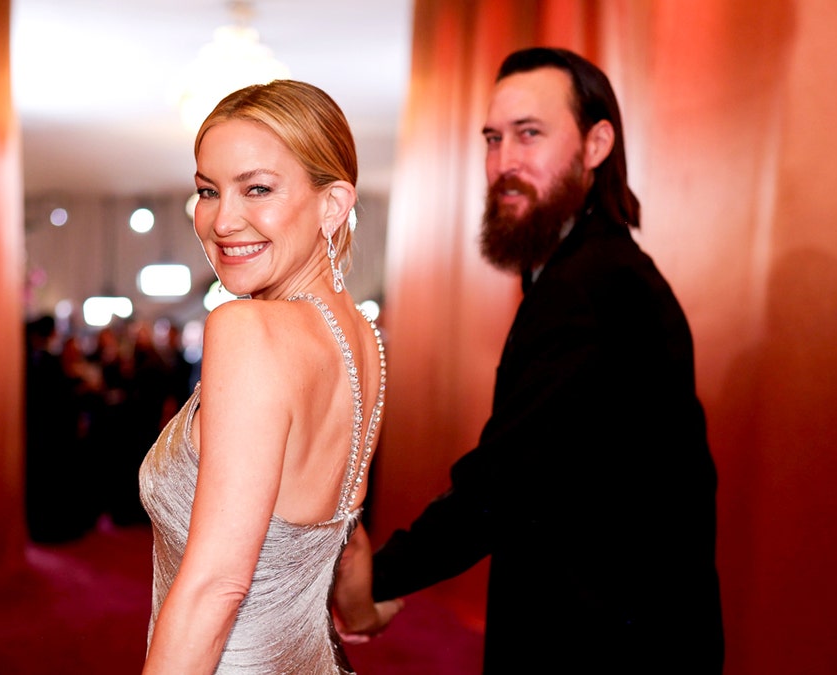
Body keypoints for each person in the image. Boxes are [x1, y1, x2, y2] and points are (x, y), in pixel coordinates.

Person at [335, 47, 724, 672]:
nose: (503, 163)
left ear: (596, 145)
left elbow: (505, 479)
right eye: (493, 139)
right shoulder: (580, 274)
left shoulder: (595, 286)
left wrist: (378, 579)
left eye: (529, 135)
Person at [138, 79, 396, 674]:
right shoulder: (365, 342)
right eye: (208, 191)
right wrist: (367, 612)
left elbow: (215, 588)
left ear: (333, 205)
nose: (223, 220)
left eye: (257, 188)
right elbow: (342, 536)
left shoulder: (246, 329)